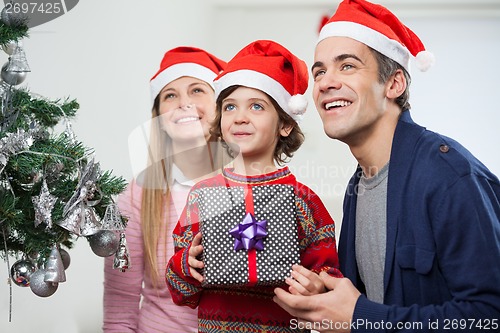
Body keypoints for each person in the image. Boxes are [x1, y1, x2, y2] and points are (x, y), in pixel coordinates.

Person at [273, 0, 500, 332]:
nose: (324, 82)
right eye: (319, 71)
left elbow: (489, 316)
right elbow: (372, 301)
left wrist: (359, 317)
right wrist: (328, 298)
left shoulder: (449, 176)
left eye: (347, 66)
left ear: (394, 84)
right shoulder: (359, 185)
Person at [165, 40, 343, 332]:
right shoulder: (202, 196)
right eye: (230, 106)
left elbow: (329, 279)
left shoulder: (303, 201)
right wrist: (186, 266)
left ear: (285, 125)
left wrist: (317, 286)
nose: (240, 116)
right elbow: (181, 294)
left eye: (257, 106)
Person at [103, 46, 228, 333]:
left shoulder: (252, 186)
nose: (184, 103)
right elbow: (120, 307)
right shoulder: (137, 195)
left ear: (220, 105)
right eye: (170, 95)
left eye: (197, 90)